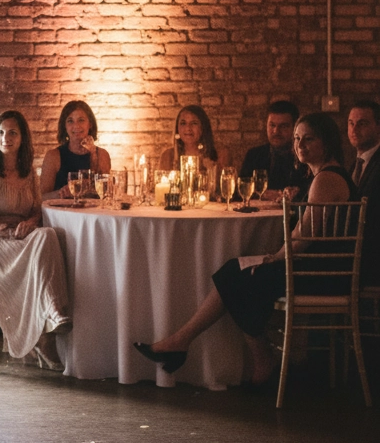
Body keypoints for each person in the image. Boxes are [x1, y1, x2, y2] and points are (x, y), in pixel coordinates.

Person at [134, 112, 355, 385]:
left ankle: (245, 357)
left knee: (238, 276)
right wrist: (271, 258)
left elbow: (305, 236)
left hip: (323, 276)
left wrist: (273, 258)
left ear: (327, 142)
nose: (300, 145)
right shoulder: (321, 175)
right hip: (317, 269)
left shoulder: (326, 178)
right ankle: (193, 345)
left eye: (309, 139)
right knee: (236, 271)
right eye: (297, 139)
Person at [0, 111, 71, 369]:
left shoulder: (29, 173)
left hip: (21, 236)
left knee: (51, 235)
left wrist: (30, 223)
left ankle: (48, 323)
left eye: (13, 132)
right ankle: (49, 326)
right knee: (43, 243)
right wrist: (8, 231)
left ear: (22, 137)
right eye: (1, 132)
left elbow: (37, 210)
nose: (6, 138)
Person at [40, 100, 112, 198]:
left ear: (90, 124)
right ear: (64, 126)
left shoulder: (102, 155)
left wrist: (93, 154)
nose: (76, 126)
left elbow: (105, 193)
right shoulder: (53, 156)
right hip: (63, 212)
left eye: (81, 120)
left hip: (93, 212)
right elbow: (42, 197)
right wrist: (61, 193)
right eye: (70, 121)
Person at [238, 99, 306, 200]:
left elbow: (308, 195)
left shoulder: (304, 157)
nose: (276, 131)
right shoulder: (254, 155)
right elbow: (239, 193)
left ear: (295, 128)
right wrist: (263, 195)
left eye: (283, 126)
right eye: (272, 125)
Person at [347, 100, 380, 285]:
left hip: (371, 254)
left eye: (362, 123)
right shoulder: (356, 163)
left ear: (378, 127)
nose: (354, 129)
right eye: (351, 123)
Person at [159, 104, 229, 171]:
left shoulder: (220, 154)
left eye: (194, 123)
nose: (188, 128)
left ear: (203, 127)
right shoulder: (168, 156)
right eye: (183, 123)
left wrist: (211, 169)